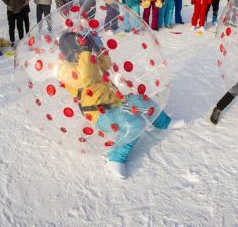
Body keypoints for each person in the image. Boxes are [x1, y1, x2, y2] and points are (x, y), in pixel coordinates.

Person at [56, 31, 184, 179]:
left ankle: (163, 122)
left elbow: (106, 64)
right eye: (80, 44)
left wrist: (98, 47)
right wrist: (85, 53)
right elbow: (85, 79)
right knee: (135, 124)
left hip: (115, 100)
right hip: (98, 112)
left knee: (143, 101)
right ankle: (114, 156)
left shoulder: (87, 56)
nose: (83, 45)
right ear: (72, 49)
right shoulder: (64, 69)